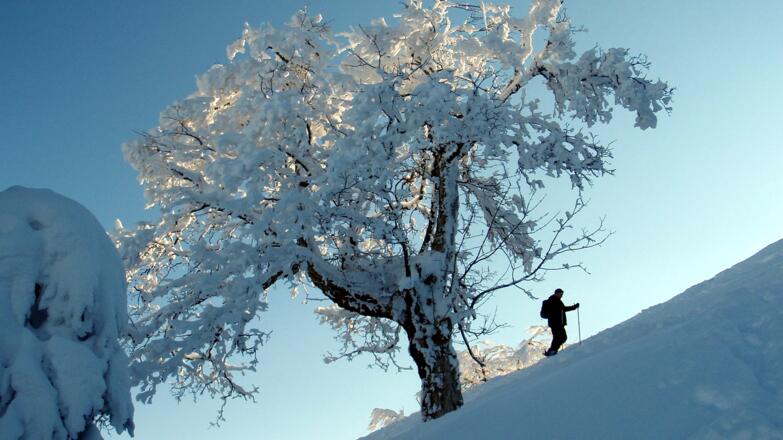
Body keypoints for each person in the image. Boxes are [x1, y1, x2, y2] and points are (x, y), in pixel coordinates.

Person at [543, 288, 579, 356]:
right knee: (560, 337)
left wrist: (574, 307)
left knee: (561, 337)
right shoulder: (552, 300)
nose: (561, 295)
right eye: (560, 294)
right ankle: (552, 350)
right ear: (556, 293)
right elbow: (562, 309)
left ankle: (553, 350)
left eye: (562, 294)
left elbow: (564, 309)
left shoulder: (558, 301)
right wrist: (552, 315)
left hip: (559, 323)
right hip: (555, 323)